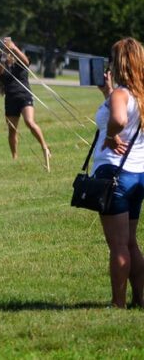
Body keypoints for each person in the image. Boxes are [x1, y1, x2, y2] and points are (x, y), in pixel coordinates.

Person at [91, 38, 144, 308]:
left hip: (114, 173)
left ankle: (118, 303)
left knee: (118, 245)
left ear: (120, 62)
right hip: (137, 174)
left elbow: (120, 120)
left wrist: (111, 136)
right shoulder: (138, 94)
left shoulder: (121, 95)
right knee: (131, 242)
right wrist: (107, 93)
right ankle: (140, 298)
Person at [0, 37, 51, 172]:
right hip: (11, 98)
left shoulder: (20, 63)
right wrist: (3, 55)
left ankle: (44, 147)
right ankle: (15, 157)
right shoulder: (3, 65)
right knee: (12, 130)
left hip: (24, 96)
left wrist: (13, 48)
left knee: (29, 122)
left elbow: (26, 61)